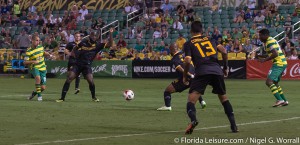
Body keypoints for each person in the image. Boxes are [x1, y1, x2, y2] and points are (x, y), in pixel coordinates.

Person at [183, 21, 238, 134]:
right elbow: (223, 51)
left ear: (191, 31)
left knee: (191, 100)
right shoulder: (211, 39)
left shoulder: (189, 43)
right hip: (216, 70)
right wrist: (225, 67)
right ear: (201, 30)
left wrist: (185, 75)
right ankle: (234, 126)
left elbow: (188, 60)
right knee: (223, 98)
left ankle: (193, 120)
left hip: (202, 71)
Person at [56, 29, 113, 102]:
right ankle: (62, 98)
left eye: (95, 35)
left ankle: (94, 97)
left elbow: (110, 44)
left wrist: (110, 34)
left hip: (87, 66)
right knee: (69, 78)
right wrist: (73, 53)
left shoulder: (98, 45)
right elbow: (75, 47)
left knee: (91, 81)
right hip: (78, 64)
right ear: (90, 35)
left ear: (98, 36)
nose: (94, 37)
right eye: (92, 35)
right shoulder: (83, 42)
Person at [157, 43, 206, 111]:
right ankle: (202, 102)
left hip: (186, 78)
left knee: (167, 91)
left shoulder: (174, 59)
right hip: (195, 75)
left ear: (171, 50)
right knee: (193, 88)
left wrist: (189, 75)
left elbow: (180, 69)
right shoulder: (185, 53)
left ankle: (167, 106)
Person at [258, 29, 288, 107]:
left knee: (269, 82)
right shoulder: (270, 40)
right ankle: (284, 100)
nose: (259, 37)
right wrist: (260, 56)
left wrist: (264, 60)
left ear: (265, 35)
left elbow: (275, 54)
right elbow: (272, 53)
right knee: (275, 83)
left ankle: (279, 100)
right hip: (282, 62)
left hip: (278, 63)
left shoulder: (269, 41)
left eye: (260, 35)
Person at [25, 35, 54, 101]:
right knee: (38, 78)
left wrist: (49, 55)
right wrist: (33, 61)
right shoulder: (29, 51)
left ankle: (34, 93)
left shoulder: (41, 47)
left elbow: (43, 52)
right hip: (34, 67)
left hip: (43, 68)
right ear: (32, 41)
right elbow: (25, 62)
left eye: (39, 41)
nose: (38, 42)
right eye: (36, 40)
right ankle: (39, 97)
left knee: (43, 88)